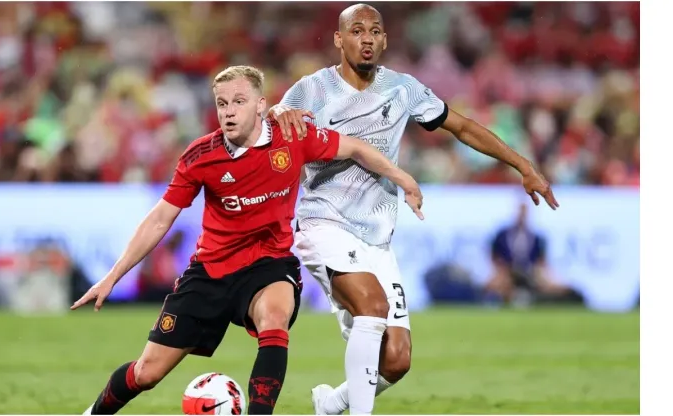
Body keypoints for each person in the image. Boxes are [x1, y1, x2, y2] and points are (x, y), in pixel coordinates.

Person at [71, 65, 424, 415]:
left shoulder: (293, 138)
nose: (228, 111)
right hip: (211, 271)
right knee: (147, 373)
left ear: (260, 105)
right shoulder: (200, 156)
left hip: (269, 266)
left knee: (274, 317)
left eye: (238, 101)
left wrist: (402, 178)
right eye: (222, 103)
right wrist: (113, 276)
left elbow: (354, 148)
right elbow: (161, 218)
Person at [268, 4, 560, 415]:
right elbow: (274, 119)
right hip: (323, 223)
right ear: (339, 39)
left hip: (377, 238)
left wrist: (523, 166)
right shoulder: (312, 89)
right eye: (356, 31)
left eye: (375, 31)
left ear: (385, 40)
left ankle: (332, 404)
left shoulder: (402, 89)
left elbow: (462, 126)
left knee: (397, 359)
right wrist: (280, 112)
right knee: (372, 309)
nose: (366, 39)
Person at [487, 202, 582, 306]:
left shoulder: (535, 237)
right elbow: (495, 256)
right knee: (497, 283)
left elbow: (541, 261)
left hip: (530, 270)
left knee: (549, 284)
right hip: (508, 270)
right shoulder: (503, 235)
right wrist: (502, 268)